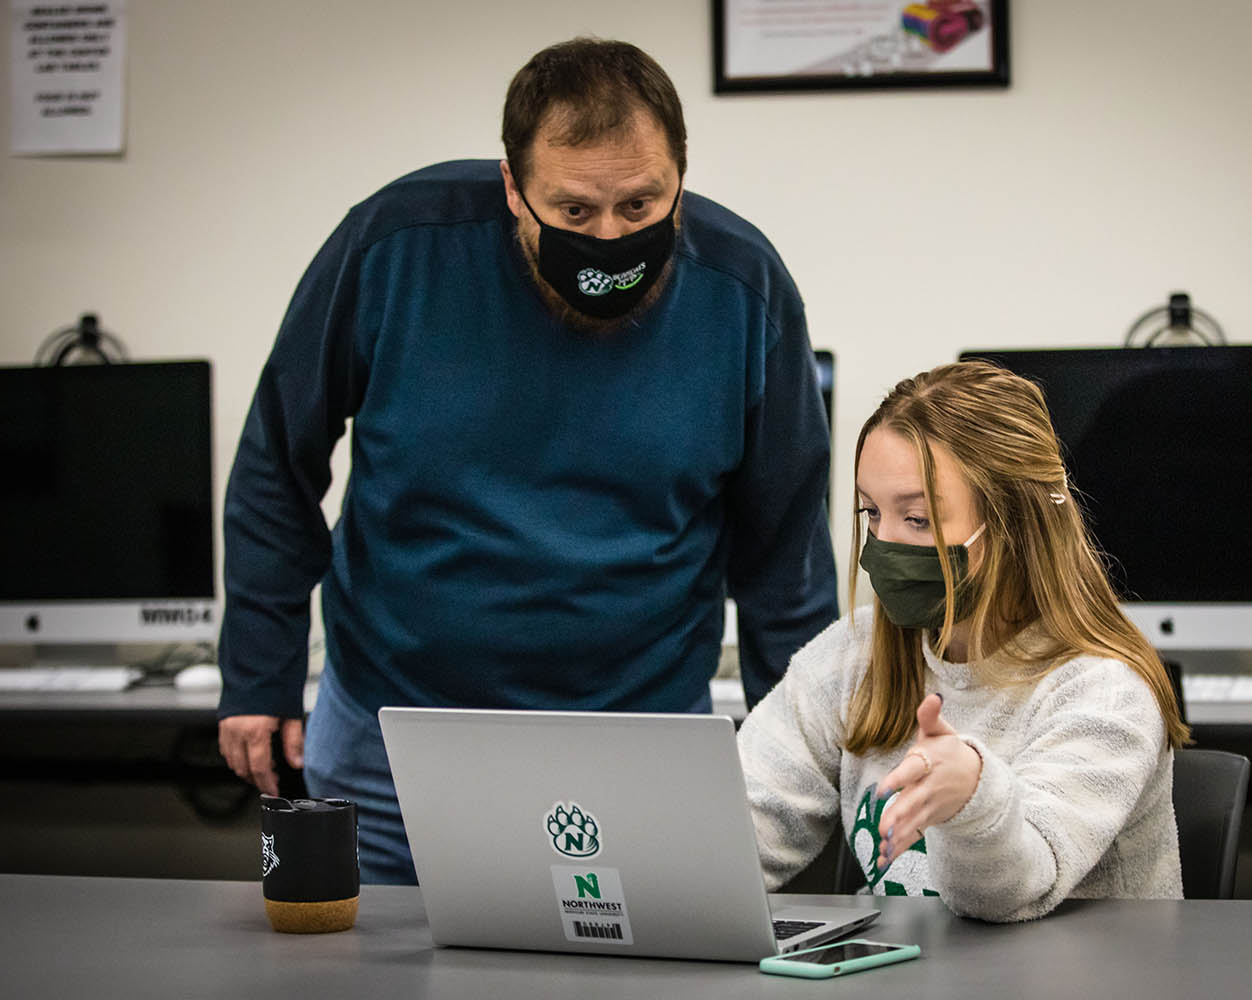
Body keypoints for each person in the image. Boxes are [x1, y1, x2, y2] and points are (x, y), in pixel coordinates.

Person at [216, 38, 838, 884]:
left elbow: (786, 552)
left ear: (679, 182)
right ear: (512, 185)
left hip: (640, 742)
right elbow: (276, 463)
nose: (610, 238)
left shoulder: (744, 287)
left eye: (640, 206)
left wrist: (804, 758)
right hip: (393, 739)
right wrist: (259, 671)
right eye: (575, 212)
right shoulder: (397, 246)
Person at [737, 361, 1189, 922]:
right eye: (872, 513)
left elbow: (1014, 893)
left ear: (1015, 525)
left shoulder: (1105, 691)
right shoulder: (853, 657)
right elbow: (735, 834)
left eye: (918, 519)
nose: (883, 543)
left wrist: (973, 799)